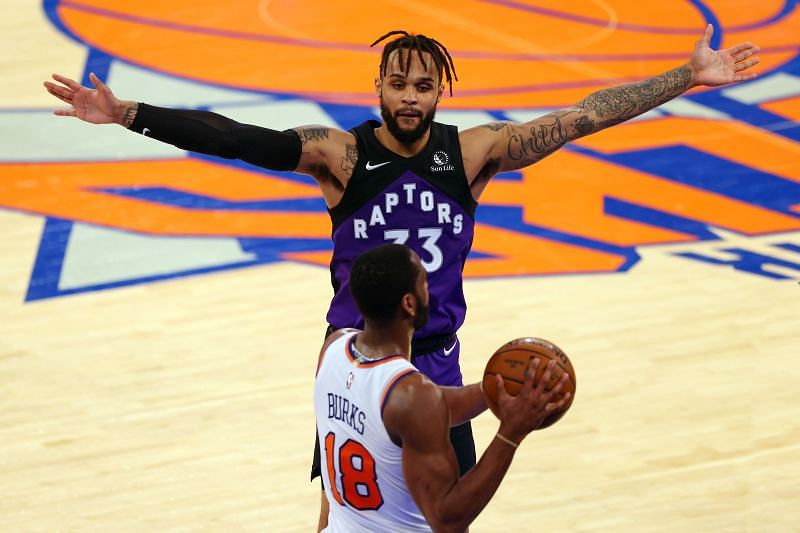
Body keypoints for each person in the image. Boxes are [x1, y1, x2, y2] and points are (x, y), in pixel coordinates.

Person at [44, 23, 759, 529]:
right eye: (397, 83)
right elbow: (238, 138)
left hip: (438, 361)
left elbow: (580, 118)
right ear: (378, 85)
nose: (409, 97)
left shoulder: (473, 152)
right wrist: (128, 114)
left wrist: (687, 78)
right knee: (350, 508)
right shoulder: (340, 156)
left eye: (423, 86)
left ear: (441, 90)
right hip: (354, 356)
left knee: (442, 513)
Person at [315, 243, 570, 532]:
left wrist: (494, 391)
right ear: (409, 303)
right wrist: (510, 433)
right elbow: (448, 520)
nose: (430, 289)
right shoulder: (411, 397)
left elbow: (409, 411)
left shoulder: (335, 349)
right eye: (424, 280)